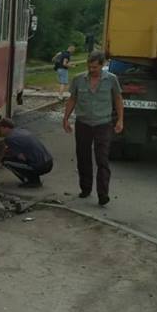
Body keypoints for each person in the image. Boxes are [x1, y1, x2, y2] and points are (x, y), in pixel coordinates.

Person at [62, 51, 124, 206]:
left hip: (103, 123)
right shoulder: (78, 80)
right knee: (83, 157)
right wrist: (66, 118)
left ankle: (103, 194)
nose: (92, 70)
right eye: (90, 67)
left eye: (95, 67)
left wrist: (120, 120)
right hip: (83, 123)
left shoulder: (111, 80)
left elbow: (118, 99)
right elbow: (72, 99)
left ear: (102, 66)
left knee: (102, 158)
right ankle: (85, 188)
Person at [0, 118, 53, 188]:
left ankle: (32, 181)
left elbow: (22, 157)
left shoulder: (9, 139)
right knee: (28, 159)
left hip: (41, 166)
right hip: (49, 162)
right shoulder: (21, 130)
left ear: (5, 128)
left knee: (6, 161)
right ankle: (34, 179)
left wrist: (7, 153)